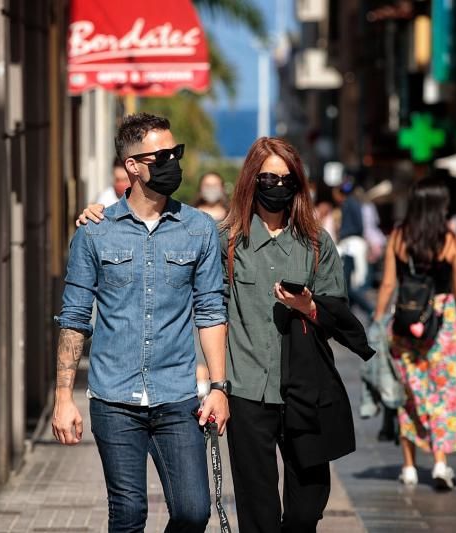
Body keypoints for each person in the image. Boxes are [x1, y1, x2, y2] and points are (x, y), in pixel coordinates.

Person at [78, 138, 373, 532]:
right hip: (247, 392)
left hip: (306, 391)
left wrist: (310, 307)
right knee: (258, 515)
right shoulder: (224, 239)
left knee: (305, 512)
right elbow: (198, 300)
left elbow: (341, 319)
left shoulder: (317, 243)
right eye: (268, 177)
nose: (277, 185)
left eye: (286, 178)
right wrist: (100, 215)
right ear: (252, 179)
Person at [53, 112, 229, 532]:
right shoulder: (94, 232)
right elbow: (75, 318)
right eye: (162, 155)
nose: (173, 163)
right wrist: (63, 398)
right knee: (129, 514)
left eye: (176, 153)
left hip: (177, 396)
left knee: (192, 512)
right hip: (114, 399)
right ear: (132, 165)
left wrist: (219, 388)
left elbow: (210, 311)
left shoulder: (199, 229)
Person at [373, 177, 456, 491]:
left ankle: (409, 467)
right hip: (442, 322)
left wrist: (377, 323)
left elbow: (388, 284)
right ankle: (440, 463)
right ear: (442, 205)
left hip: (405, 320)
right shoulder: (451, 240)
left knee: (410, 395)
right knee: (444, 393)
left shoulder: (398, 237)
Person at [334, 179, 374, 317]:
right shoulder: (353, 202)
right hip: (351, 244)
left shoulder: (349, 203)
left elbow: (357, 226)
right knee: (349, 283)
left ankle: (369, 310)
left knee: (353, 284)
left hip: (352, 244)